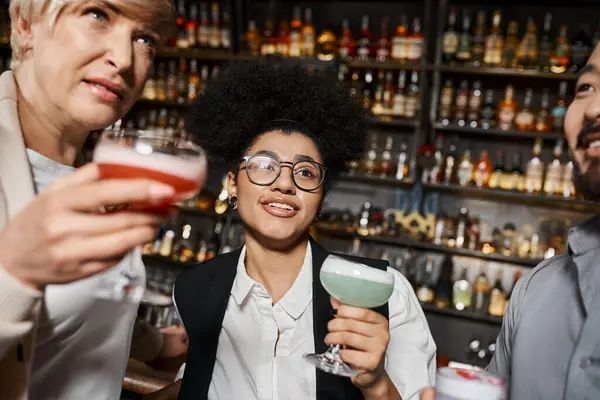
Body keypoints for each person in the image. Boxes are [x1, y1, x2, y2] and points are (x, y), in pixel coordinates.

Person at [170, 61, 437, 400]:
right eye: (264, 166)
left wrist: (375, 383)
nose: (284, 183)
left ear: (320, 197)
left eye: (306, 172)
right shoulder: (194, 290)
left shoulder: (385, 293)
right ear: (232, 184)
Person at [0, 0, 188, 398]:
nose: (123, 59)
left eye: (144, 39)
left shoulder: (92, 169)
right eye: (98, 14)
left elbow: (71, 307)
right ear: (25, 22)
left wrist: (154, 345)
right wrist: (13, 273)